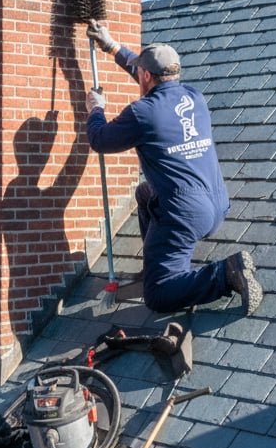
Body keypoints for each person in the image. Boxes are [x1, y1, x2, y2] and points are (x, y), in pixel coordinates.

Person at [84, 21, 262, 316]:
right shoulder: (194, 97)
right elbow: (148, 78)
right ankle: (156, 264)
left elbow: (100, 140)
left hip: (185, 215)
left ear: (145, 75)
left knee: (158, 296)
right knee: (145, 194)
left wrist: (96, 109)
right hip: (215, 204)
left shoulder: (142, 113)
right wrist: (111, 46)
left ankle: (225, 273)